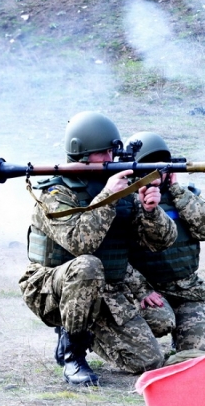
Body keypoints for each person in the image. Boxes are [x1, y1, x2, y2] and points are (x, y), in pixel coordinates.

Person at [18, 112, 178, 386]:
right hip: (52, 286)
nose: (109, 158)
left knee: (150, 355)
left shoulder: (121, 185)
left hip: (106, 286)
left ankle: (87, 326)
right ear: (82, 153)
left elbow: (159, 242)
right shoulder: (55, 192)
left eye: (111, 151)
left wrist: (151, 210)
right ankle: (72, 355)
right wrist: (108, 196)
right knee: (87, 265)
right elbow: (81, 244)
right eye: (102, 152)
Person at [124, 132, 205, 354]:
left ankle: (181, 340)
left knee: (200, 352)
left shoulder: (182, 196)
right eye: (148, 166)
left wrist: (177, 190)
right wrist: (140, 290)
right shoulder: (124, 200)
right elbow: (112, 255)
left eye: (160, 165)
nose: (156, 172)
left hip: (185, 292)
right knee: (161, 321)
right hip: (145, 292)